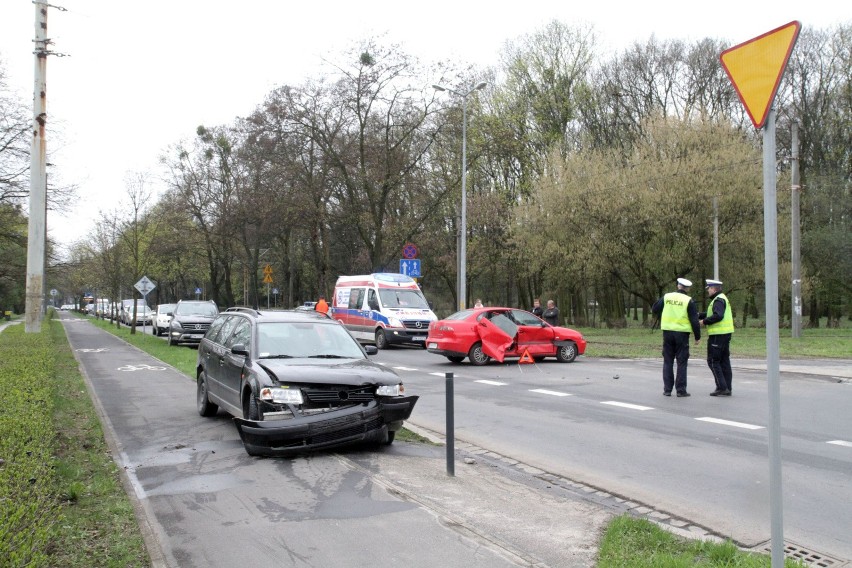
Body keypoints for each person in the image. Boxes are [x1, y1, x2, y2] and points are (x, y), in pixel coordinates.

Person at [651, 278, 701, 397]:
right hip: (682, 334)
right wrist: (697, 336)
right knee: (681, 362)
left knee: (668, 361)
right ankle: (681, 390)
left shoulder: (667, 297)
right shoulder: (689, 300)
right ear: (687, 288)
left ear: (678, 286)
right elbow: (694, 320)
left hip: (667, 333)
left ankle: (667, 390)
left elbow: (654, 309)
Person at [700, 279, 734, 396]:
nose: (708, 291)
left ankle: (721, 387)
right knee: (724, 361)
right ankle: (727, 387)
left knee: (713, 361)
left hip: (717, 335)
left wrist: (704, 321)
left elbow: (718, 315)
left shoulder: (718, 300)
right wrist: (699, 314)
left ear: (714, 289)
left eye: (709, 288)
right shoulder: (721, 298)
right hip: (725, 334)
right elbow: (712, 312)